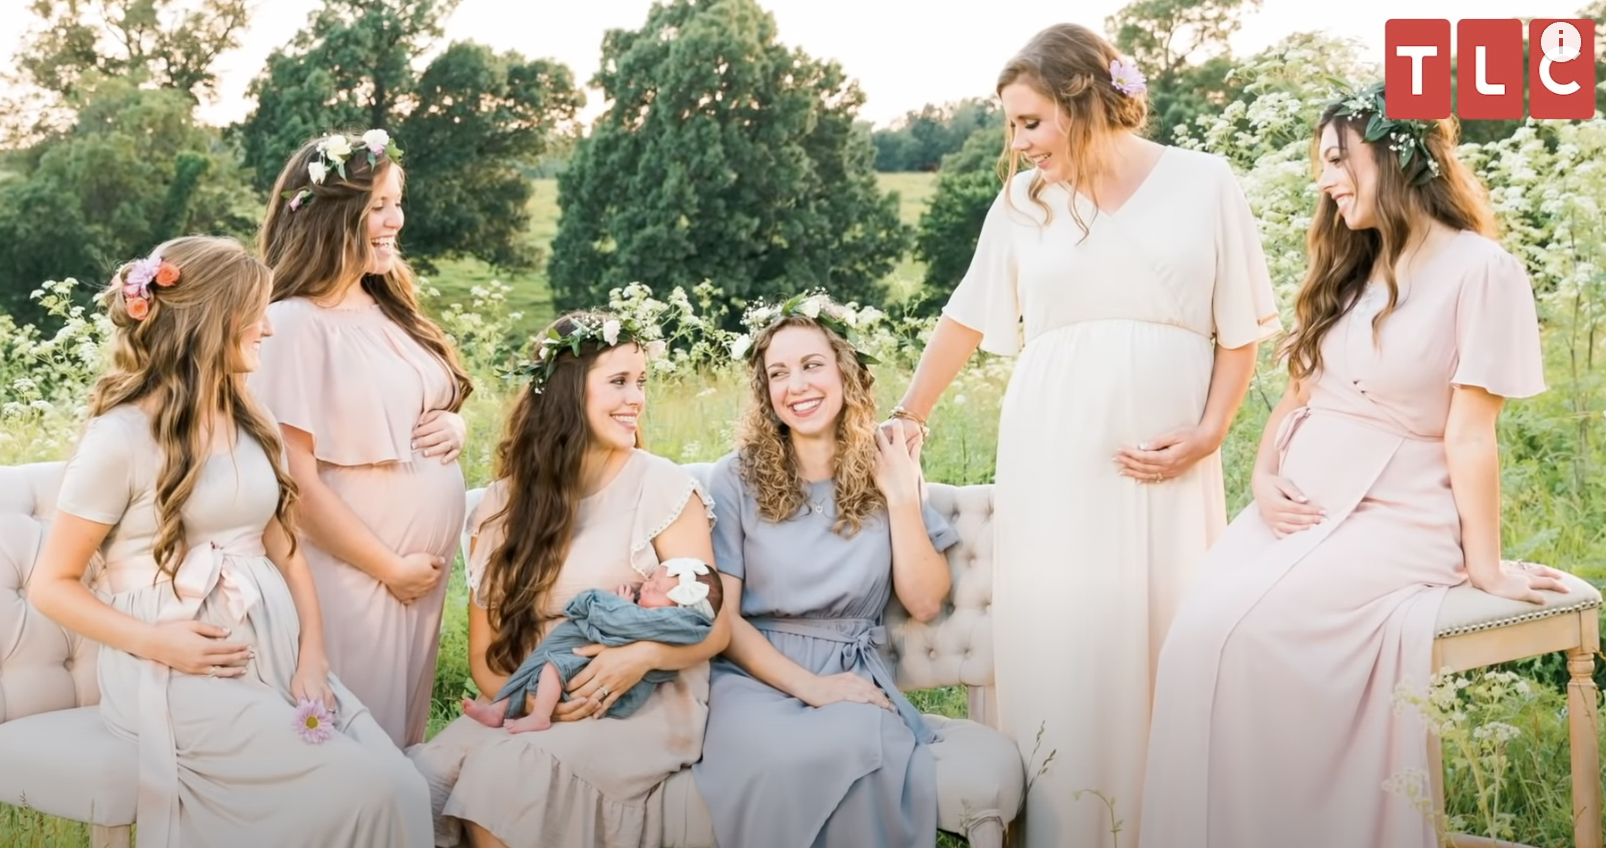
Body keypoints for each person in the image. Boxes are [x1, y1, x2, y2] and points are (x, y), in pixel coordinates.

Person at [1137, 81, 1568, 848]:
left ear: (1397, 159)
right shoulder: (1353, 266)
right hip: (1297, 508)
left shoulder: (1480, 270)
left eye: (1337, 160)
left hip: (1397, 513)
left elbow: (1471, 436)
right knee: (1196, 634)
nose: (1324, 180)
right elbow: (1299, 397)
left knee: (1244, 638)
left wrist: (1489, 564)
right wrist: (1264, 480)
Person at [887, 23, 1281, 847]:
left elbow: (1239, 328)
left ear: (1083, 99)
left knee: (1165, 623)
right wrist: (910, 415)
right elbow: (964, 316)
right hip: (1053, 446)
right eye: (1011, 125)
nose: (1018, 143)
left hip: (1167, 464)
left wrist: (1211, 432)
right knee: (1067, 629)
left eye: (1029, 122)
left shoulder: (1204, 182)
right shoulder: (1024, 204)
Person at [28, 236, 433, 848]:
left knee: (401, 787)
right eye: (256, 313)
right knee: (362, 795)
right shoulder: (121, 438)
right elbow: (51, 586)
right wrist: (159, 643)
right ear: (210, 322)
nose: (268, 328)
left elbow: (286, 550)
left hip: (275, 652)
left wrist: (313, 656)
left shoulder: (252, 416)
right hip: (170, 665)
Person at [406, 311, 729, 848]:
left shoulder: (664, 488)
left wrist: (641, 657)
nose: (636, 399)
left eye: (642, 382)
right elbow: (487, 657)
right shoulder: (501, 506)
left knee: (505, 781)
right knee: (412, 785)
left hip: (641, 703)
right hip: (533, 701)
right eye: (619, 382)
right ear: (566, 391)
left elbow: (713, 629)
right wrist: (541, 704)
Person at [693, 293, 962, 848]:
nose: (797, 386)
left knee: (857, 749)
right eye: (778, 373)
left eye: (812, 365)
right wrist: (813, 688)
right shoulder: (734, 478)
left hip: (855, 671)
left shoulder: (888, 462)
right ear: (765, 392)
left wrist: (901, 499)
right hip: (753, 677)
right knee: (778, 757)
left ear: (845, 372)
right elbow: (725, 620)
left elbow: (927, 601)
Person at [250, 129, 473, 748]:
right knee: (354, 749)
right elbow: (293, 483)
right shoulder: (292, 325)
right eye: (377, 206)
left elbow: (433, 397)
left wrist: (455, 422)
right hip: (352, 577)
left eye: (397, 202)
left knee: (395, 744)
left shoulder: (386, 305)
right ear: (330, 216)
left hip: (411, 586)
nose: (395, 220)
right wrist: (389, 567)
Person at [461, 558, 724, 732]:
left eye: (655, 589)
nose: (646, 586)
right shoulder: (651, 614)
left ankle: (540, 716)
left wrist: (614, 605)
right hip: (589, 657)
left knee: (552, 667)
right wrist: (628, 605)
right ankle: (500, 708)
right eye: (650, 579)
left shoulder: (669, 622)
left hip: (598, 673)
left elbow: (621, 623)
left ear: (681, 605)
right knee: (538, 663)